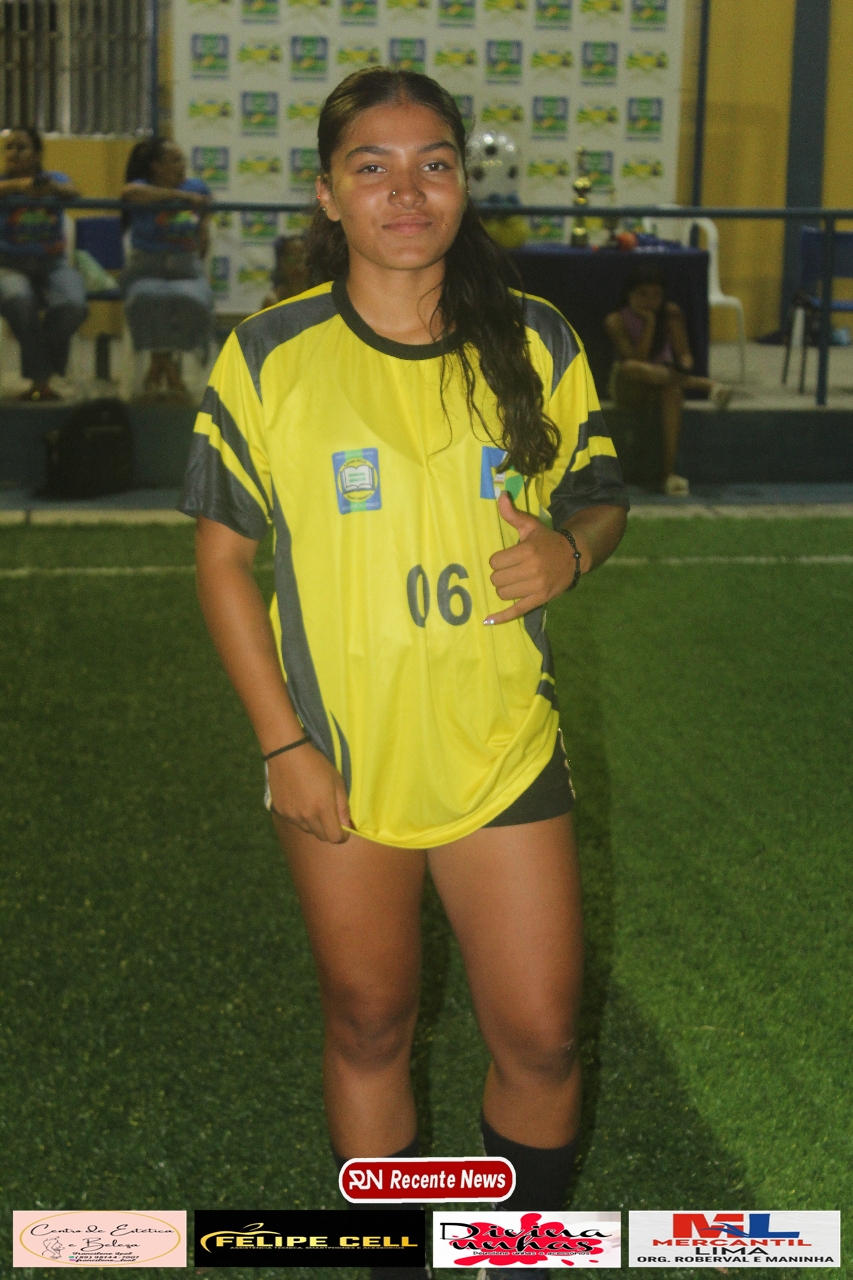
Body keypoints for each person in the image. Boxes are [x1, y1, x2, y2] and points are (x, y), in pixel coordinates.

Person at [180, 67, 628, 1259]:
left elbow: (599, 495)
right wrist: (283, 743)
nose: (406, 191)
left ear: (462, 184)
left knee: (539, 1035)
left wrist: (571, 552)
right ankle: (399, 1254)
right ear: (329, 195)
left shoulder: (534, 337)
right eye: (370, 168)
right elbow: (222, 563)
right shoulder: (268, 354)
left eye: (433, 164)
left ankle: (503, 1252)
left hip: (501, 746)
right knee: (371, 1020)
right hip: (340, 757)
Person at [605, 264, 732, 497]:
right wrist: (650, 323)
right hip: (630, 384)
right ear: (629, 294)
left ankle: (669, 474)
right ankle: (705, 385)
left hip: (666, 379)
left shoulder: (671, 313)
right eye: (642, 294)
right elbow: (635, 359)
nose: (650, 301)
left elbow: (684, 354)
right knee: (632, 367)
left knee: (673, 391)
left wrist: (684, 365)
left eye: (656, 295)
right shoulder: (616, 320)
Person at [121, 138, 213, 402]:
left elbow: (205, 216)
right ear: (156, 166)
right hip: (146, 267)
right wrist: (179, 197)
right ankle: (168, 366)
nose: (183, 165)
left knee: (196, 301)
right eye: (175, 160)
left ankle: (160, 362)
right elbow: (130, 194)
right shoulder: (141, 187)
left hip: (185, 267)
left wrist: (203, 228)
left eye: (182, 159)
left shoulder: (197, 187)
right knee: (144, 298)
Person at [0, 127, 88, 401]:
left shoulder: (54, 178)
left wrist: (53, 189)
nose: (13, 153)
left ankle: (40, 374)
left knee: (73, 304)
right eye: (8, 147)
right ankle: (43, 379)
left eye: (21, 147)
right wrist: (19, 186)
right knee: (17, 299)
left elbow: (75, 192)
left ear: (37, 154)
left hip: (53, 263)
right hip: (10, 264)